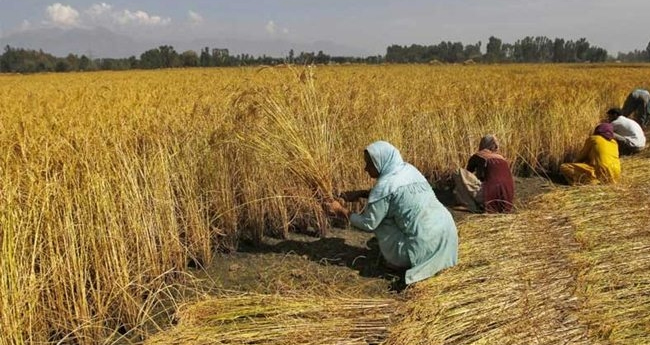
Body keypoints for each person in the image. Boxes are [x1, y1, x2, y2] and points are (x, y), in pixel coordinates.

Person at [323, 140, 458, 285]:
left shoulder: (383, 187)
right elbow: (399, 196)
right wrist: (362, 193)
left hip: (425, 245)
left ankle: (399, 261)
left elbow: (369, 224)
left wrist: (341, 211)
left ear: (381, 162)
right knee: (389, 213)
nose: (365, 168)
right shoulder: (409, 170)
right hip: (448, 235)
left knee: (381, 221)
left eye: (369, 163)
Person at [452, 135, 515, 213]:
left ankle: (471, 205)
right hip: (507, 200)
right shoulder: (502, 158)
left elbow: (468, 172)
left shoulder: (479, 155)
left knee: (458, 172)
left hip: (488, 196)